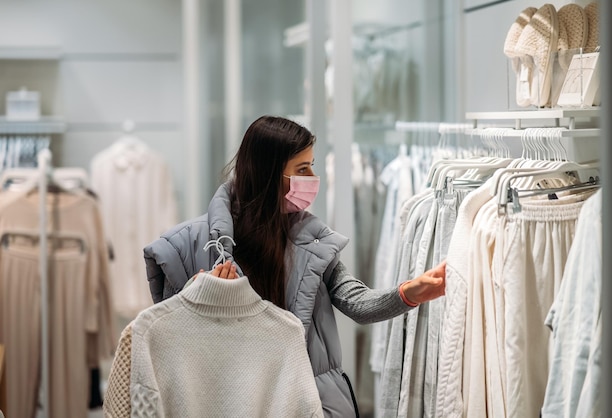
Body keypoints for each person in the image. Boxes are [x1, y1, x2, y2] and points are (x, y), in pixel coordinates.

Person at [143, 115, 446, 417]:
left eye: (312, 166)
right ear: (268, 173)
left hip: (305, 400)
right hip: (227, 400)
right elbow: (167, 345)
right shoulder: (186, 245)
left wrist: (409, 293)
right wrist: (195, 298)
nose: (313, 177)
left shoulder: (313, 241)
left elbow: (356, 302)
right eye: (302, 169)